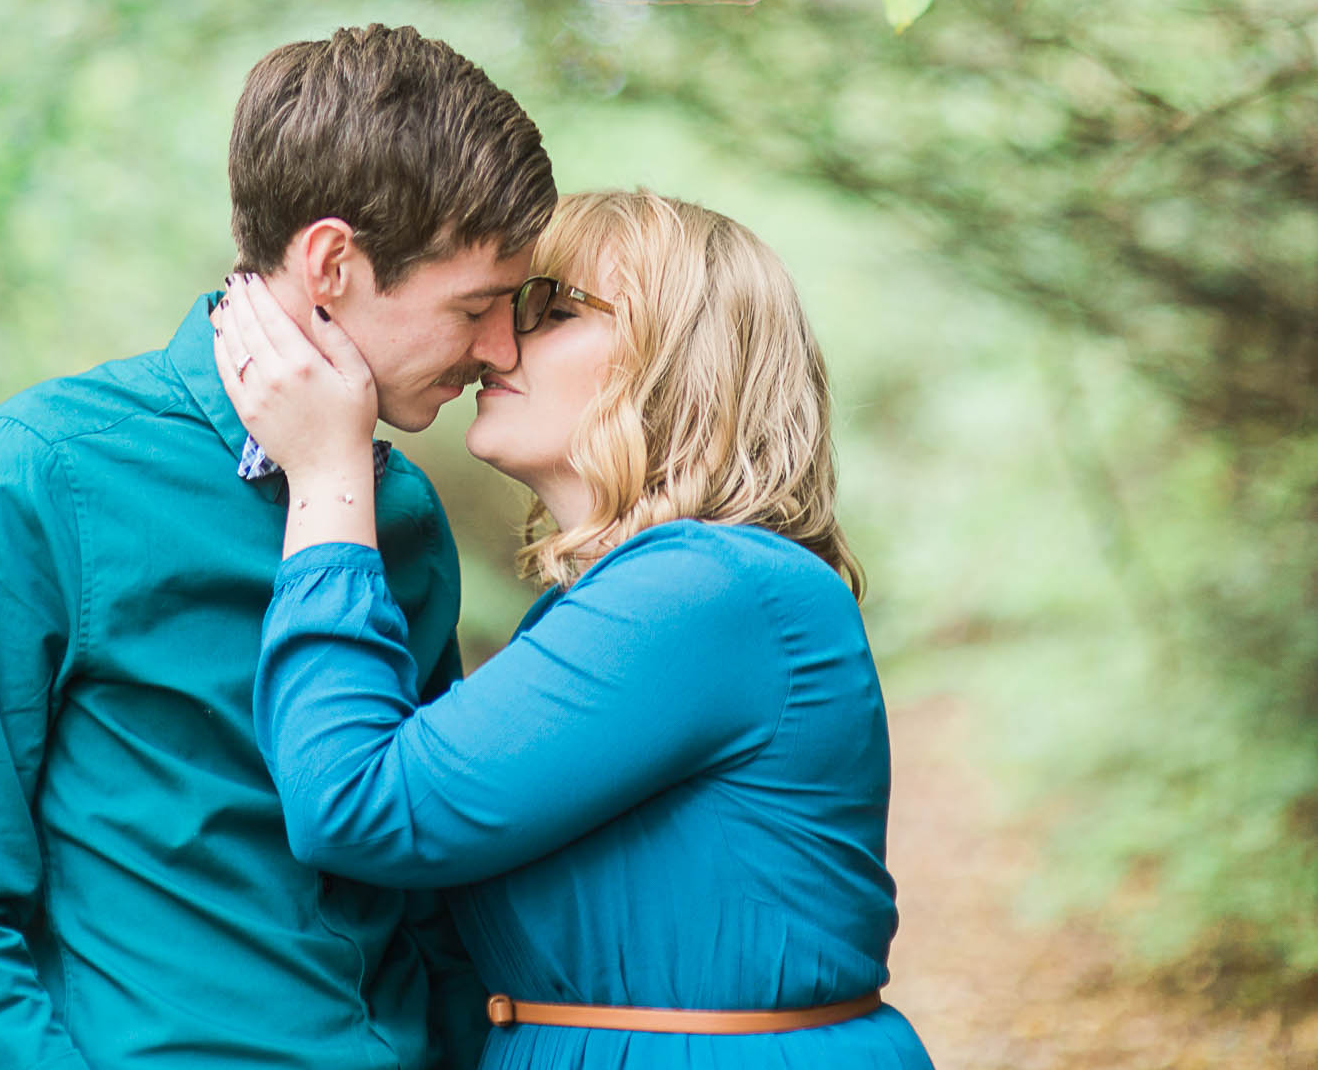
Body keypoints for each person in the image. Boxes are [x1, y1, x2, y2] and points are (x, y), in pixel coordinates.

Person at [0, 26, 556, 1070]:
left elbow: (425, 889)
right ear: (332, 261)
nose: (503, 349)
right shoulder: (34, 476)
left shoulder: (403, 513)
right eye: (476, 306)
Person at [217, 187, 935, 1069]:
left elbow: (359, 801)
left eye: (548, 308)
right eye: (493, 307)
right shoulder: (666, 595)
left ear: (683, 358)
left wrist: (327, 473)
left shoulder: (709, 589)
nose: (496, 345)